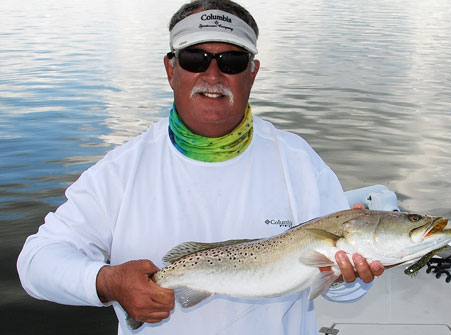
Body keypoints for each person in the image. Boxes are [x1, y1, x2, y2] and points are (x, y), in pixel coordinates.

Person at [17, 1, 384, 334]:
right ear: (170, 69)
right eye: (195, 59)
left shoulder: (300, 162)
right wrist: (106, 281)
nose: (213, 76)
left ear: (252, 73)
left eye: (232, 62)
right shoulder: (121, 170)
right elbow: (36, 263)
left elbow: (346, 295)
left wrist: (346, 278)